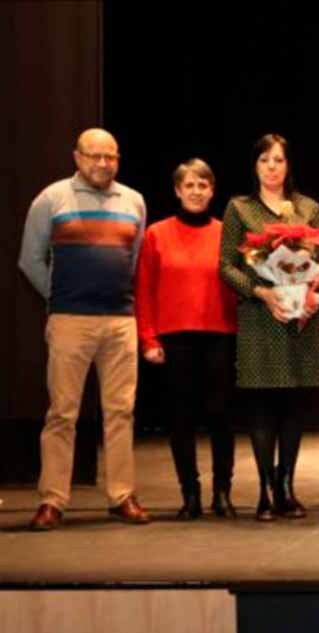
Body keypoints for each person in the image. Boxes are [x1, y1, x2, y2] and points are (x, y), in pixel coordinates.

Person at [20, 128, 150, 531]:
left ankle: (122, 495)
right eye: (95, 156)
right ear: (77, 157)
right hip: (70, 320)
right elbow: (30, 259)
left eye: (111, 156)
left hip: (120, 320)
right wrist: (59, 297)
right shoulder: (51, 198)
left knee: (121, 411)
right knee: (62, 413)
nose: (103, 163)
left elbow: (134, 258)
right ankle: (53, 499)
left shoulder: (134, 201)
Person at [219, 133, 319, 521]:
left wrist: (312, 293)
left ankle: (286, 487)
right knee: (262, 408)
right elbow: (226, 266)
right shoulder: (239, 208)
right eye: (265, 160)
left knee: (294, 407)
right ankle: (264, 490)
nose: (272, 167)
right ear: (255, 165)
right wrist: (262, 293)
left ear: (288, 165)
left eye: (279, 160)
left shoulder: (308, 208)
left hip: (299, 322)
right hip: (259, 318)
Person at [135, 158, 238, 519]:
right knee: (181, 418)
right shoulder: (156, 234)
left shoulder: (227, 234)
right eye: (189, 185)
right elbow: (143, 291)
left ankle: (222, 492)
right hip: (174, 338)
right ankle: (190, 494)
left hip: (220, 335)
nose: (196, 191)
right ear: (178, 191)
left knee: (221, 416)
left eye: (202, 185)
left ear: (212, 191)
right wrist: (148, 339)